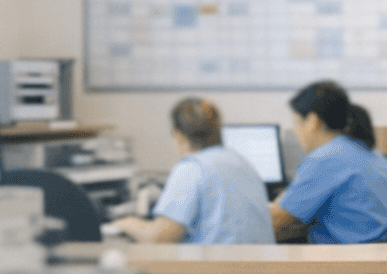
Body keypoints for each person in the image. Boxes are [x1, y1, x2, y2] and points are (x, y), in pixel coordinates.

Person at [112, 97, 273, 244]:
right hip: (259, 269)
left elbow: (160, 237)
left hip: (217, 272)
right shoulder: (241, 162)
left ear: (179, 136)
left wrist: (126, 223)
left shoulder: (192, 168)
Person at [271, 81, 387, 243]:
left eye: (297, 122)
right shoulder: (367, 151)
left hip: (358, 260)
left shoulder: (324, 158)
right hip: (383, 254)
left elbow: (275, 221)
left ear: (312, 121)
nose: (296, 130)